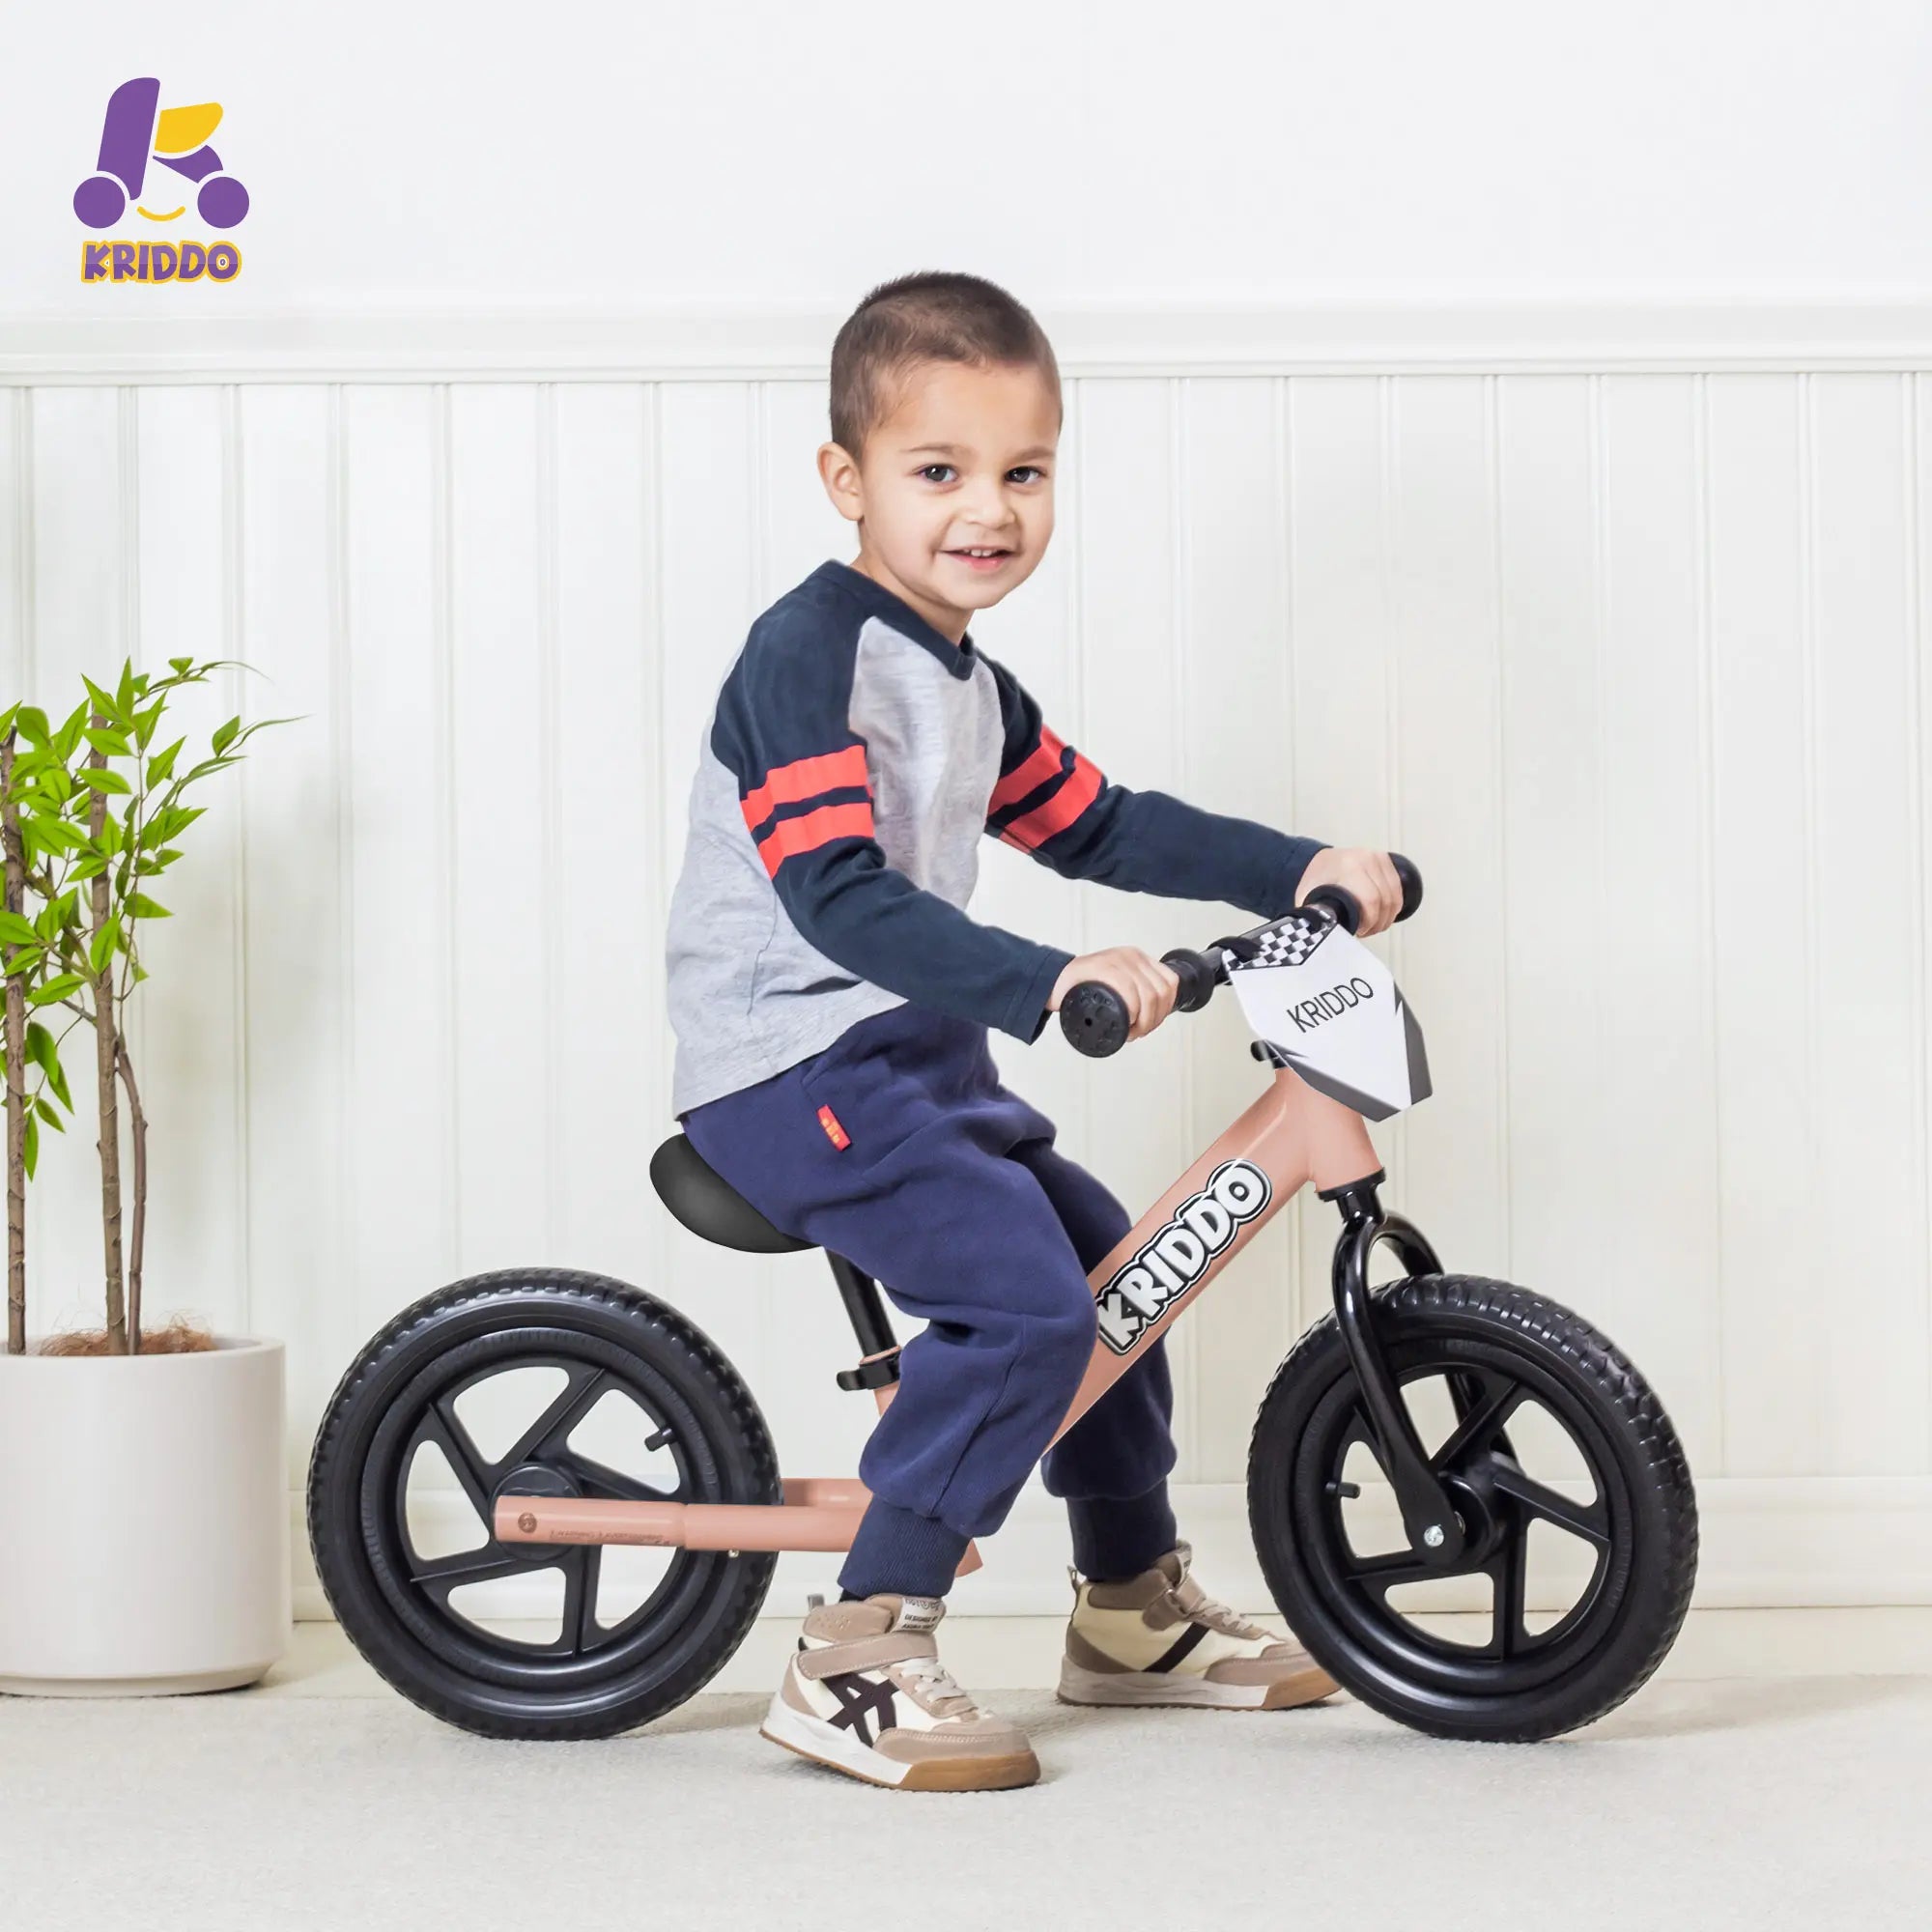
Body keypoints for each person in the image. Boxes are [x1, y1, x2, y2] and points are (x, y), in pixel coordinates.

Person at [666, 270, 1404, 1792]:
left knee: (1108, 1280)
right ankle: (857, 1647)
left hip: (903, 1066)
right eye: (937, 472)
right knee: (1027, 1308)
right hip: (788, 1069)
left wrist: (1303, 868)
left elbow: (1105, 824)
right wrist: (1047, 986)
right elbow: (835, 897)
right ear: (845, 481)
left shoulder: (964, 679)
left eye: (1023, 473)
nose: (984, 509)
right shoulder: (811, 655)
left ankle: (1129, 1607)